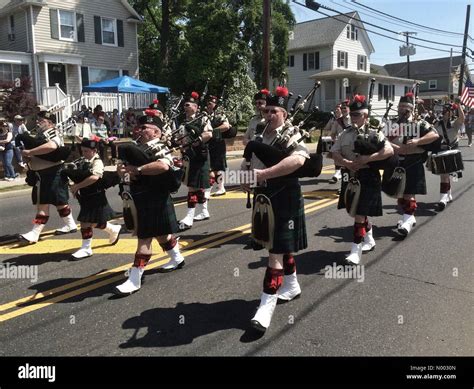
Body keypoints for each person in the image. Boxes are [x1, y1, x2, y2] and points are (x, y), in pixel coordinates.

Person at [241, 86, 308, 333]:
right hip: (262, 196)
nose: (268, 114)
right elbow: (249, 160)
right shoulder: (259, 132)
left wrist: (264, 174)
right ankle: (292, 286)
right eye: (266, 109)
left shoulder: (293, 133)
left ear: (284, 114)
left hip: (284, 196)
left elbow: (299, 160)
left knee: (274, 253)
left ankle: (266, 305)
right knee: (277, 246)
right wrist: (245, 176)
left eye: (274, 111)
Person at [115, 116, 185, 294]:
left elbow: (163, 166)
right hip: (139, 196)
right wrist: (125, 173)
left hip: (156, 197)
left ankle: (135, 278)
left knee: (144, 237)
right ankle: (177, 258)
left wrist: (138, 170)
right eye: (139, 126)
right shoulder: (135, 148)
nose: (140, 129)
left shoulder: (160, 147)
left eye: (145, 127)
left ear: (156, 132)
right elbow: (122, 172)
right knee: (161, 234)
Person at [331, 95, 394, 264]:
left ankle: (355, 250)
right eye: (352, 114)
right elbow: (334, 152)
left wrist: (368, 159)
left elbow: (388, 151)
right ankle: (369, 239)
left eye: (357, 115)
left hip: (368, 175)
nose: (353, 117)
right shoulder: (345, 133)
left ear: (365, 116)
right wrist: (346, 163)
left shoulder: (375, 131)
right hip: (350, 176)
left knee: (359, 213)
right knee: (355, 211)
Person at [19, 110, 77, 243]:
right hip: (44, 174)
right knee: (60, 202)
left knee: (42, 205)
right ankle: (70, 224)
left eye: (42, 120)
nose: (38, 122)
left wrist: (30, 151)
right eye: (38, 120)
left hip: (51, 173)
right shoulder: (40, 134)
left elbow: (51, 146)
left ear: (50, 122)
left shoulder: (51, 132)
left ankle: (35, 232)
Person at [387, 93, 439, 236]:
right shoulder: (392, 123)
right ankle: (409, 217)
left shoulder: (419, 122)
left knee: (409, 193)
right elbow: (384, 140)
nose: (402, 108)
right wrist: (396, 148)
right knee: (400, 194)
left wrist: (418, 141)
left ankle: (407, 222)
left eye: (406, 106)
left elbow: (434, 135)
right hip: (397, 161)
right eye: (401, 106)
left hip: (413, 160)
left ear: (411, 108)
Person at [67, 138, 121, 259]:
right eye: (83, 151)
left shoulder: (97, 161)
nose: (84, 153)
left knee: (85, 221)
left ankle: (86, 248)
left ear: (94, 150)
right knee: (93, 221)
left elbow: (95, 177)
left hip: (96, 196)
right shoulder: (83, 161)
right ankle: (112, 229)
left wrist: (77, 186)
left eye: (86, 151)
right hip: (86, 195)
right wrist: (74, 186)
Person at [177, 91, 213, 230]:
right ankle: (204, 211)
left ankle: (189, 217)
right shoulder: (181, 121)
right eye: (184, 105)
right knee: (197, 185)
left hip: (199, 155)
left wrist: (198, 140)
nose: (185, 107)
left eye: (188, 105)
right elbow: (179, 136)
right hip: (187, 156)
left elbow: (209, 133)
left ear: (195, 107)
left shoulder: (202, 119)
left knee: (193, 186)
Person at [434, 102, 464, 211]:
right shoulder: (437, 124)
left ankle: (446, 194)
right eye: (444, 111)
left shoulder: (455, 123)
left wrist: (459, 105)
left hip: (453, 151)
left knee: (449, 174)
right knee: (444, 175)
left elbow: (462, 117)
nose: (445, 113)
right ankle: (443, 198)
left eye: (447, 111)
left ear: (451, 113)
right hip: (442, 150)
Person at [206, 95, 231, 197]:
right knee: (209, 167)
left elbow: (226, 126)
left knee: (218, 167)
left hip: (218, 143)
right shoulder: (205, 115)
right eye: (207, 103)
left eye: (211, 103)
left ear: (215, 104)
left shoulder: (220, 115)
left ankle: (221, 188)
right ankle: (210, 187)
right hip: (208, 143)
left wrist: (214, 130)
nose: (208, 105)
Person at [323, 100, 350, 183]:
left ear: (349, 109)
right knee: (340, 164)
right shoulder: (337, 121)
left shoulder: (353, 119)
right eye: (342, 108)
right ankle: (343, 185)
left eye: (345, 108)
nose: (343, 110)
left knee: (350, 167)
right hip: (340, 146)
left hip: (351, 146)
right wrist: (334, 141)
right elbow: (333, 134)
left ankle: (347, 183)